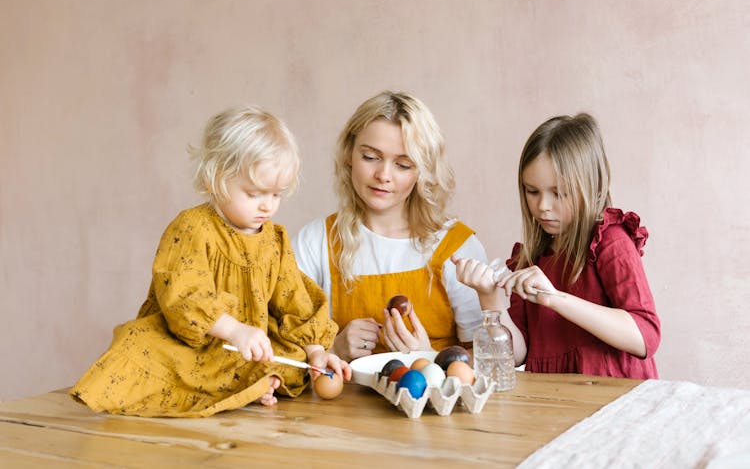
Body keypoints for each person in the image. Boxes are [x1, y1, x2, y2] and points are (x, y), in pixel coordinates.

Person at [71, 106, 350, 417]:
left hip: (244, 349)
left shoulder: (274, 239)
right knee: (136, 343)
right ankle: (246, 386)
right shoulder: (193, 228)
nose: (267, 206)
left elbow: (293, 300)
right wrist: (233, 330)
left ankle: (251, 384)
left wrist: (316, 352)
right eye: (255, 193)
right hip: (196, 343)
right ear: (214, 178)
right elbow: (184, 297)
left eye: (276, 194)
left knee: (287, 356)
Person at [453, 113, 660, 379]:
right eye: (532, 191)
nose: (543, 206)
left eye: (559, 193)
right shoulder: (530, 260)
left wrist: (556, 300)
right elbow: (516, 355)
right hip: (554, 406)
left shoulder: (611, 242)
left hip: (616, 403)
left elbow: (646, 336)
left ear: (593, 187)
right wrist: (489, 297)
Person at [292, 91, 488, 362]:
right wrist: (332, 350)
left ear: (423, 170)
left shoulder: (457, 247)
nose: (383, 175)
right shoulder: (316, 241)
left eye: (403, 164)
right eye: (370, 157)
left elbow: (488, 357)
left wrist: (430, 357)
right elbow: (281, 347)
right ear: (349, 154)